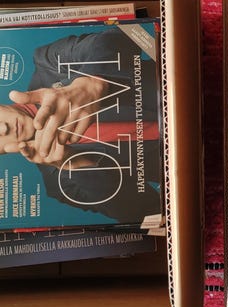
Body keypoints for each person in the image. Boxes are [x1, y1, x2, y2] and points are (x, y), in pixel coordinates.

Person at [1, 27, 162, 224]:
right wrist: (78, 165)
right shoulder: (59, 185)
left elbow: (129, 34)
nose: (3, 129)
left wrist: (93, 81)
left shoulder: (48, 63)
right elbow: (147, 212)